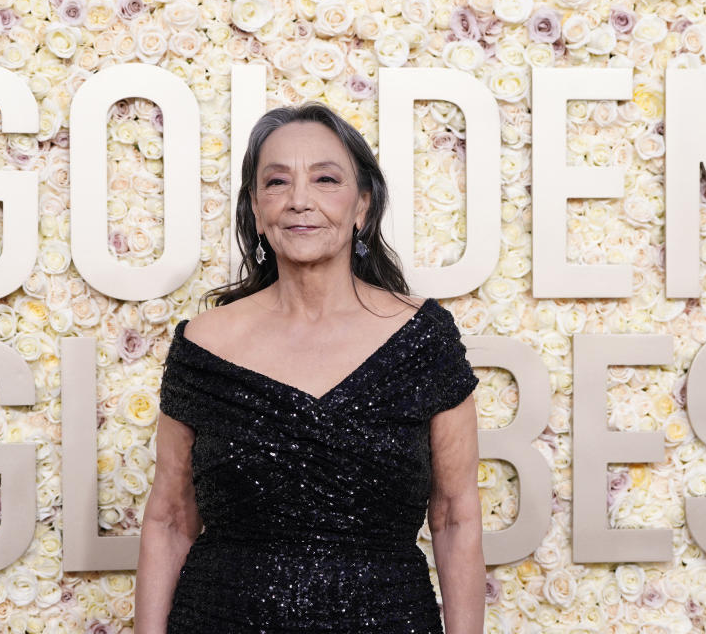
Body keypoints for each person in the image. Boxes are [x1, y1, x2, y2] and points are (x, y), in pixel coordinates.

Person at [135, 102, 485, 633]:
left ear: (363, 205)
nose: (299, 200)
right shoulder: (203, 347)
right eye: (276, 183)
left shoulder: (424, 340)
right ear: (255, 209)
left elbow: (455, 517)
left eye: (325, 179)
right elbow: (170, 519)